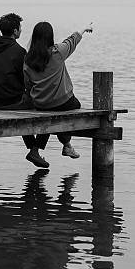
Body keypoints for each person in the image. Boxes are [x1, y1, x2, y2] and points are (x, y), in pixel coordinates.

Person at [0, 13, 51, 168]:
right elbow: (27, 78)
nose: (21, 30)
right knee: (47, 105)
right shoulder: (19, 52)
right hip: (11, 101)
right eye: (20, 28)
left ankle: (33, 150)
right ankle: (35, 149)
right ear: (14, 31)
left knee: (21, 102)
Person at [23, 21, 93, 164]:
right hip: (63, 102)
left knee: (51, 116)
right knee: (72, 107)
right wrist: (84, 28)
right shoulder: (58, 52)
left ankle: (36, 150)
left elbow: (28, 85)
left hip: (41, 104)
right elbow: (73, 39)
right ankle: (66, 144)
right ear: (51, 37)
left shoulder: (27, 60)